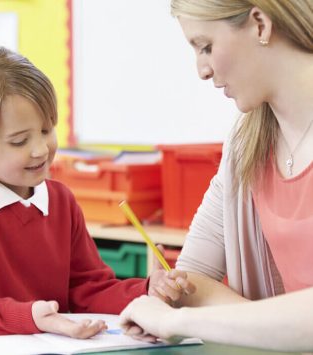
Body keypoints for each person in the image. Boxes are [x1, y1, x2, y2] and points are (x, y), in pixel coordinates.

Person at [0, 47, 194, 338]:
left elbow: (88, 289)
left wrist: (148, 289)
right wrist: (31, 317)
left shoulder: (60, 200)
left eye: (47, 130)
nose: (41, 150)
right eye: (19, 141)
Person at [120, 0, 313, 351]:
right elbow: (191, 281)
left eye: (206, 47)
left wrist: (177, 321)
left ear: (259, 24)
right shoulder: (246, 144)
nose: (202, 71)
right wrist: (274, 326)